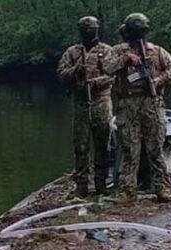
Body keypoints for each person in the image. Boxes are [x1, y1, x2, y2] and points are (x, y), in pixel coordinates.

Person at [105, 13, 171, 202]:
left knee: (156, 148)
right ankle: (128, 191)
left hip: (152, 102)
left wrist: (158, 79)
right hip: (128, 104)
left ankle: (161, 188)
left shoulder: (157, 51)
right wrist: (126, 59)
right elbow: (106, 68)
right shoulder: (118, 51)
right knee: (130, 149)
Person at [57, 16, 114, 197]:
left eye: (92, 29)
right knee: (80, 146)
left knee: (102, 144)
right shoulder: (73, 52)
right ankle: (81, 184)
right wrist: (76, 71)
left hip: (101, 102)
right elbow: (61, 73)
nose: (89, 32)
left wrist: (96, 82)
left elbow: (113, 74)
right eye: (85, 29)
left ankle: (101, 182)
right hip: (81, 104)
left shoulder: (106, 51)